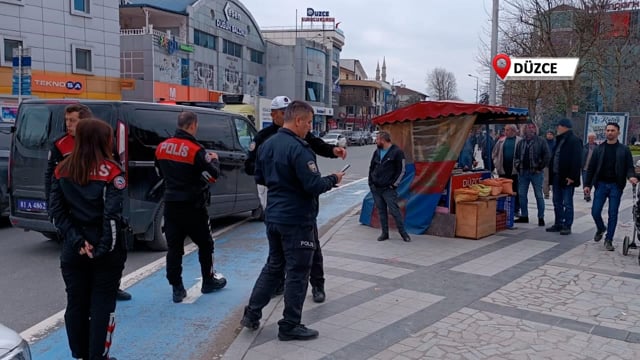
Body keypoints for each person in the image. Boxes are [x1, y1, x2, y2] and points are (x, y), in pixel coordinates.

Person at [240, 100, 344, 341]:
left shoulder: (267, 144)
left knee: (274, 266)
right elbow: (313, 185)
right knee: (298, 271)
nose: (309, 128)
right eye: (308, 123)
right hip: (297, 219)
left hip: (274, 215)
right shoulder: (299, 148)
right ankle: (290, 324)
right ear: (298, 120)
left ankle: (252, 313)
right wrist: (334, 178)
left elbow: (260, 177)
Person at [49, 118, 127, 360]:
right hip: (106, 250)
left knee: (76, 303)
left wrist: (77, 241)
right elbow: (111, 217)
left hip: (74, 250)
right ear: (103, 140)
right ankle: (98, 355)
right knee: (103, 304)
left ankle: (80, 354)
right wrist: (103, 249)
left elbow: (56, 212)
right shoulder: (112, 172)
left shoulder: (62, 169)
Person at [45, 103, 132, 302]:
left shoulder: (102, 142)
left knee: (115, 253)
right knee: (79, 276)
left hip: (100, 207)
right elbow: (51, 175)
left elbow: (115, 169)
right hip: (74, 210)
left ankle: (112, 286)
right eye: (66, 120)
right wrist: (51, 203)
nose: (68, 125)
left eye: (73, 121)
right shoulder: (60, 145)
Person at [155, 111, 227, 303]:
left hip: (170, 204)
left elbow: (158, 172)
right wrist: (214, 160)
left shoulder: (162, 147)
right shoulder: (195, 150)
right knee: (205, 244)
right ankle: (208, 280)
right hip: (193, 206)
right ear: (193, 125)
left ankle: (177, 288)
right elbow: (212, 176)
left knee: (174, 248)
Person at [584, 122, 638, 251]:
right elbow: (591, 168)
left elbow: (629, 167)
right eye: (607, 130)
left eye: (612, 130)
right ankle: (601, 228)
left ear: (618, 132)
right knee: (595, 211)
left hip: (616, 186)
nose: (609, 132)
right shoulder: (599, 149)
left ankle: (609, 239)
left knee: (612, 213)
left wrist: (631, 177)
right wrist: (587, 185)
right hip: (601, 185)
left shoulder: (624, 150)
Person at [368, 131, 411, 242]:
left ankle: (403, 233)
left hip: (388, 188)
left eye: (377, 139)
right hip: (376, 187)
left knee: (394, 211)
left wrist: (393, 185)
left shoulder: (397, 152)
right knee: (381, 211)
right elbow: (371, 167)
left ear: (383, 140)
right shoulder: (377, 152)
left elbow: (401, 170)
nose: (376, 141)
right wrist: (370, 182)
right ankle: (384, 233)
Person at [547, 118, 582, 235]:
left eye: (559, 126)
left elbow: (577, 161)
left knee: (567, 202)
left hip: (567, 178)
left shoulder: (574, 140)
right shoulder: (559, 140)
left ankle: (567, 225)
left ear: (565, 127)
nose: (557, 128)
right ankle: (558, 223)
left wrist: (572, 176)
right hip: (557, 175)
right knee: (556, 201)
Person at [514, 123, 550, 226]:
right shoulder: (521, 142)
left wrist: (540, 167)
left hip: (536, 173)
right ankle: (524, 216)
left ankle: (541, 217)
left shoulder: (541, 141)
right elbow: (516, 156)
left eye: (532, 127)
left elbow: (547, 156)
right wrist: (517, 165)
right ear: (524, 129)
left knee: (538, 195)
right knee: (521, 195)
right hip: (523, 172)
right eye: (528, 127)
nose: (530, 129)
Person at [492, 124, 521, 216]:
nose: (506, 132)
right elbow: (494, 153)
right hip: (503, 170)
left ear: (513, 131)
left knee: (515, 190)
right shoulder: (501, 141)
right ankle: (503, 208)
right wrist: (497, 164)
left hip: (515, 171)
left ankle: (516, 209)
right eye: (505, 130)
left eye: (508, 130)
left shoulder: (520, 141)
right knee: (503, 189)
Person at [582, 132, 597, 202]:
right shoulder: (584, 147)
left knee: (591, 183)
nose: (590, 139)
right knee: (585, 182)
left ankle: (588, 193)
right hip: (585, 168)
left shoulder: (598, 147)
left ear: (595, 139)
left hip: (594, 169)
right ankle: (586, 195)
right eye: (589, 138)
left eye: (592, 138)